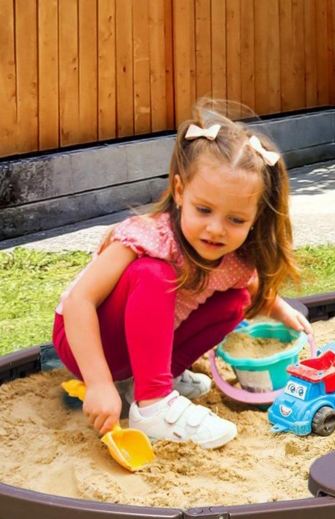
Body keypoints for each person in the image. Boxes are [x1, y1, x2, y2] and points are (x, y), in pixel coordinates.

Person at [53, 100, 312, 448]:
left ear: (255, 220)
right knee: (154, 273)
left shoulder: (236, 259)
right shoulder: (150, 237)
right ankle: (154, 404)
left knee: (235, 301)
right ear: (179, 192)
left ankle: (148, 383)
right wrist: (98, 383)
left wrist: (279, 309)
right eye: (203, 209)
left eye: (236, 220)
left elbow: (249, 285)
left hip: (133, 353)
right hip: (88, 341)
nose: (216, 229)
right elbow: (79, 301)